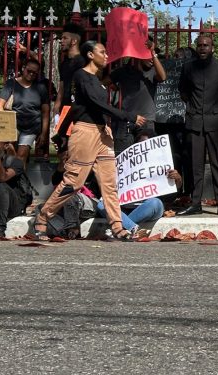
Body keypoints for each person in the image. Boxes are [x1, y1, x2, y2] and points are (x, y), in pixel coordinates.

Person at [32, 41, 145, 240]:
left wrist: (63, 133)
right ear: (91, 54)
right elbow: (95, 104)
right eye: (103, 52)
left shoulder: (97, 80)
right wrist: (129, 116)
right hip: (85, 134)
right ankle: (42, 218)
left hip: (103, 135)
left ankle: (118, 227)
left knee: (109, 184)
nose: (107, 55)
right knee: (73, 182)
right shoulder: (81, 76)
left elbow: (79, 108)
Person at [177, 34, 218, 216]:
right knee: (195, 165)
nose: (203, 48)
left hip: (216, 123)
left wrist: (215, 108)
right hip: (195, 122)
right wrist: (197, 108)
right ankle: (195, 204)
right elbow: (183, 93)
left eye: (206, 45)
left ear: (212, 48)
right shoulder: (188, 67)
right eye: (200, 45)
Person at [110, 37, 166, 154]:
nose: (151, 58)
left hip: (146, 121)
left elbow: (163, 77)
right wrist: (113, 86)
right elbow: (103, 82)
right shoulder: (123, 71)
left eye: (154, 53)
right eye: (148, 53)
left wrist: (152, 53)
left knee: (147, 158)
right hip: (126, 121)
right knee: (122, 156)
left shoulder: (153, 71)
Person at [0, 58, 50, 165]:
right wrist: (5, 127)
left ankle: (20, 181)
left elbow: (45, 112)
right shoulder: (11, 83)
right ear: (23, 68)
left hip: (31, 127)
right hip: (12, 126)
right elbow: (0, 105)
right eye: (29, 71)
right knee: (5, 153)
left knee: (21, 156)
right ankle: (5, 177)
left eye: (34, 73)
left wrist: (43, 134)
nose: (31, 74)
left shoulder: (41, 88)